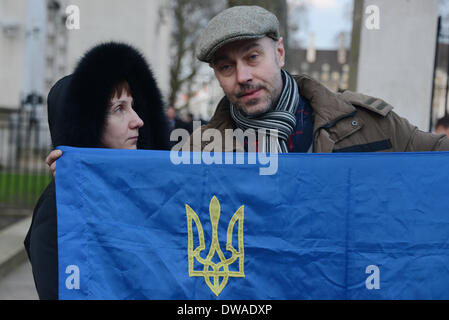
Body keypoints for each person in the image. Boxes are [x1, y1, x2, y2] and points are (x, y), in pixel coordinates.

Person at [187, 5, 449, 152]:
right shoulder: (198, 150)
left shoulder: (369, 123)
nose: (243, 76)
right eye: (226, 67)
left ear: (279, 53)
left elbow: (436, 155)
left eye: (253, 57)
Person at [24, 42, 169, 300]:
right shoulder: (55, 212)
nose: (138, 121)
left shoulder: (140, 191)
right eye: (119, 109)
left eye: (132, 106)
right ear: (85, 124)